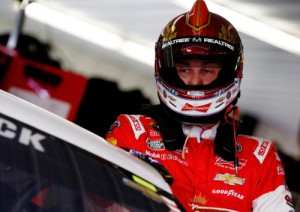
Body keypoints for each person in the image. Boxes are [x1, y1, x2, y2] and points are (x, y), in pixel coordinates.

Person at [105, 0, 295, 211]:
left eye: (207, 70)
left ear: (229, 72)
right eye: (184, 70)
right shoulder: (134, 132)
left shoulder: (260, 157)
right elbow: (102, 202)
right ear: (166, 68)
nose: (195, 82)